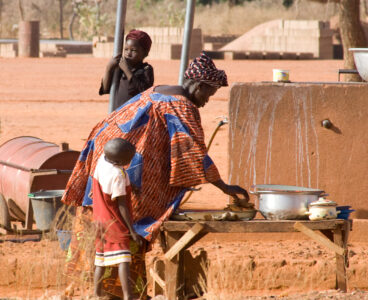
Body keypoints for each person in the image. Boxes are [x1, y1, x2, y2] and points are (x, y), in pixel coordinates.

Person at [62, 52, 249, 298]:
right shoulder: (183, 106)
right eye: (209, 94)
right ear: (200, 86)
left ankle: (104, 291)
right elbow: (193, 152)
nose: (206, 101)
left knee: (101, 227)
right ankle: (126, 293)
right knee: (129, 227)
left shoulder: (160, 90)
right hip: (123, 166)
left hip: (102, 157)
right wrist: (225, 188)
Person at [92, 138, 141, 299]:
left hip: (99, 219)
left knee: (100, 259)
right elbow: (122, 206)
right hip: (114, 222)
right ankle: (128, 296)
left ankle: (96, 294)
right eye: (130, 158)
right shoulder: (117, 175)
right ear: (121, 161)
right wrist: (132, 231)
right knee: (123, 259)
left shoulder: (102, 161)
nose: (131, 160)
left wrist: (130, 185)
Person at [100, 29, 154, 110]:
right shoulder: (119, 68)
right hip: (117, 115)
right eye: (126, 49)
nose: (128, 53)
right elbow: (105, 89)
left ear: (145, 53)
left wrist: (127, 70)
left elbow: (144, 90)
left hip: (134, 116)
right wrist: (109, 68)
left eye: (133, 50)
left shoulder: (146, 70)